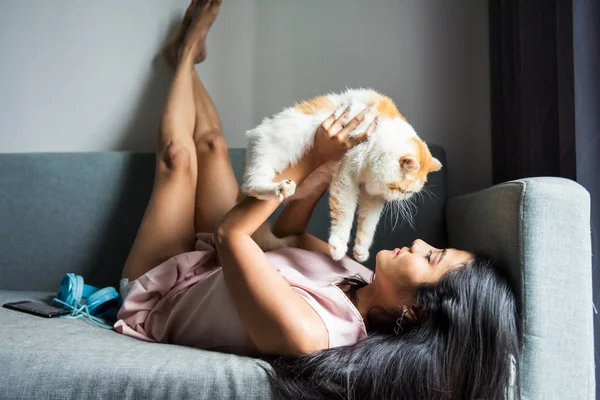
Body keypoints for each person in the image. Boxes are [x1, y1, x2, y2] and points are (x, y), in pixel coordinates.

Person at [115, 1, 521, 399]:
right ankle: (193, 53)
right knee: (212, 146)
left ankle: (182, 54)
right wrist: (329, 169)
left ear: (416, 311)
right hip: (214, 265)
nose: (420, 242)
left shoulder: (313, 333)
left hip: (162, 291)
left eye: (430, 257)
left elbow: (232, 235)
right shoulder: (361, 281)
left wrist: (310, 159)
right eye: (436, 247)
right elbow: (288, 236)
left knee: (179, 160)